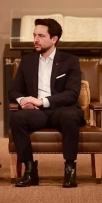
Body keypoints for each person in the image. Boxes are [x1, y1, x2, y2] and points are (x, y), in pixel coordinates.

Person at [8, 18, 84, 188]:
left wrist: (42, 101)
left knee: (69, 116)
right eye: (34, 35)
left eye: (41, 36)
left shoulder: (70, 61)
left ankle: (70, 169)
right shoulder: (27, 61)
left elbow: (72, 94)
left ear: (54, 39)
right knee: (17, 118)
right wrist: (23, 101)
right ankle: (30, 170)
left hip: (61, 109)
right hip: (37, 112)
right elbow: (13, 91)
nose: (35, 40)